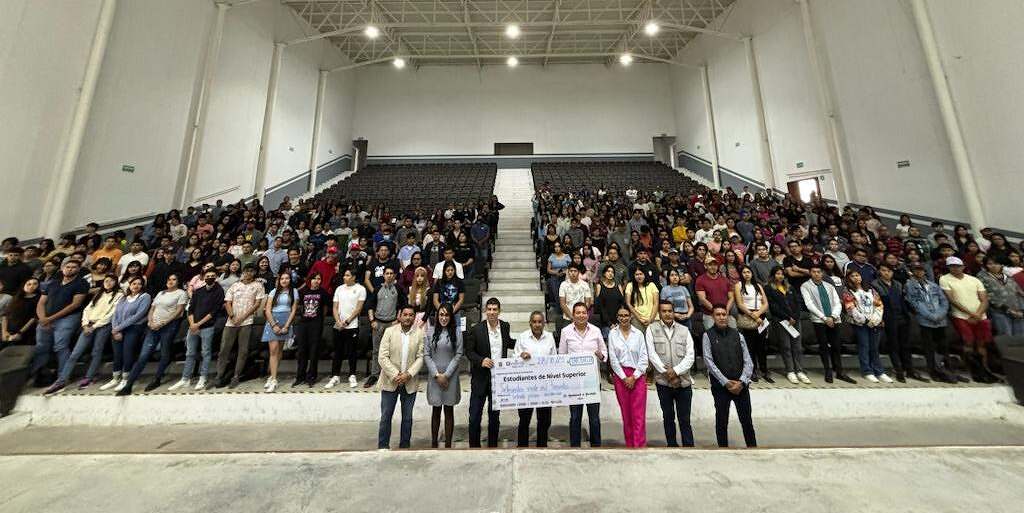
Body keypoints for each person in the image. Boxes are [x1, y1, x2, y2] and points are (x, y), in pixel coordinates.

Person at [46, 275, 122, 394]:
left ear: (116, 282)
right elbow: (87, 309)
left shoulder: (119, 295)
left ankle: (89, 376)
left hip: (103, 326)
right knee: (75, 353)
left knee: (96, 351)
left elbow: (112, 313)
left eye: (112, 281)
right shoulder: (98, 294)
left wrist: (95, 326)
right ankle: (61, 380)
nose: (108, 283)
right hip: (88, 325)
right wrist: (85, 324)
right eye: (106, 280)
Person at [116, 273, 188, 395]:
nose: (170, 281)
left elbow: (179, 311)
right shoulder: (161, 293)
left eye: (174, 279)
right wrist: (150, 320)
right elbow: (152, 309)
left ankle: (157, 378)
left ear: (178, 281)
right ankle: (129, 385)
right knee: (143, 355)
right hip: (153, 326)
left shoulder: (181, 293)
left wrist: (163, 323)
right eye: (169, 279)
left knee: (164, 353)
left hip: (169, 326)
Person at [702, 304, 757, 448]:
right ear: (713, 317)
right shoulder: (707, 335)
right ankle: (723, 451)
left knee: (747, 421)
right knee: (722, 421)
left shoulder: (738, 334)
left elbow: (748, 361)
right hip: (721, 388)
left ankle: (753, 450)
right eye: (718, 315)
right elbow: (709, 362)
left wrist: (742, 382)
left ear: (727, 316)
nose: (721, 317)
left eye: (724, 314)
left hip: (741, 387)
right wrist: (726, 382)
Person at [939, 256, 999, 383]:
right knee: (968, 343)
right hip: (961, 316)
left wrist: (978, 314)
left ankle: (985, 369)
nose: (955, 268)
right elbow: (952, 300)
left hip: (980, 316)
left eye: (957, 266)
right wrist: (971, 313)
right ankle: (973, 370)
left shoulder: (974, 279)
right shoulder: (944, 279)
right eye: (952, 266)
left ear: (963, 266)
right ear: (948, 267)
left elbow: (984, 299)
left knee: (982, 344)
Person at [645, 300, 696, 447]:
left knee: (685, 419)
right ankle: (672, 446)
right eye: (664, 311)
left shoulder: (684, 330)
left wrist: (676, 371)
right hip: (663, 383)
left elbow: (690, 356)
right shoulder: (651, 329)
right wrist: (666, 372)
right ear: (659, 313)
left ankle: (688, 447)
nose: (667, 314)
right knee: (668, 417)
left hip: (683, 383)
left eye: (670, 311)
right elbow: (652, 354)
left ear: (673, 312)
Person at [465, 298, 515, 448]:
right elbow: (469, 352)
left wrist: (524, 345)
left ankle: (493, 446)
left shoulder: (505, 326)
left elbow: (509, 342)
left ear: (499, 311)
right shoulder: (476, 329)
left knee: (494, 417)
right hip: (480, 377)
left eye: (495, 309)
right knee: (474, 417)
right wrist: (481, 360)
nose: (492, 312)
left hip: (498, 379)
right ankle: (474, 447)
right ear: (485, 311)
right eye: (489, 309)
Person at [31, 260, 89, 385]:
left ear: (78, 269)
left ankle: (63, 376)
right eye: (67, 267)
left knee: (61, 346)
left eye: (74, 267)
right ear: (62, 268)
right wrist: (42, 318)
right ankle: (37, 376)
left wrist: (49, 319)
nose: (70, 269)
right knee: (41, 347)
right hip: (45, 319)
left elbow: (75, 304)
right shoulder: (52, 283)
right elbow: (41, 302)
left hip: (68, 318)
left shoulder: (81, 283)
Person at [559, 302, 608, 447]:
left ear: (588, 314)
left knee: (594, 418)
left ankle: (596, 446)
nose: (581, 315)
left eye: (583, 312)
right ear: (573, 315)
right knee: (575, 417)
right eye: (578, 313)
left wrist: (601, 355)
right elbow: (561, 356)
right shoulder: (566, 331)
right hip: (573, 383)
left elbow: (605, 354)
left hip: (592, 381)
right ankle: (575, 446)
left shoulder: (596, 331)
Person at [377, 306, 424, 449]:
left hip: (409, 382)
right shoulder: (389, 332)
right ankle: (383, 446)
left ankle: (405, 447)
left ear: (414, 317)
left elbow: (421, 357)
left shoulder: (420, 333)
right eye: (405, 314)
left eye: (411, 315)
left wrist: (408, 374)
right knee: (386, 417)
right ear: (400, 316)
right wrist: (396, 375)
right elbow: (382, 356)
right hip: (390, 381)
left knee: (408, 418)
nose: (408, 317)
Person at [905, 263, 961, 383]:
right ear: (912, 271)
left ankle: (948, 370)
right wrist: (931, 316)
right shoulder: (910, 285)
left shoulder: (933, 285)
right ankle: (933, 371)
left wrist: (940, 314)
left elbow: (944, 301)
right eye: (916, 270)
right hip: (925, 321)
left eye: (921, 270)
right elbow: (915, 303)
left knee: (943, 347)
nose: (919, 272)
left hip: (940, 321)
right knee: (929, 348)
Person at [801, 264, 856, 384]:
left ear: (822, 273)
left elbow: (837, 302)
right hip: (819, 320)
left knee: (836, 346)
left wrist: (833, 316)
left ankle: (840, 372)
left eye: (819, 272)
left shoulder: (829, 286)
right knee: (824, 347)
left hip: (834, 319)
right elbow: (809, 304)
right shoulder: (805, 286)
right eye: (814, 271)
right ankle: (828, 370)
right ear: (810, 273)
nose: (816, 274)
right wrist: (824, 318)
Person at [172, 269, 224, 391]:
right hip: (193, 326)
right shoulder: (198, 291)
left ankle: (203, 377)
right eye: (207, 276)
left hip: (207, 326)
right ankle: (185, 379)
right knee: (189, 353)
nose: (210, 277)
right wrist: (192, 324)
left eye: (212, 276)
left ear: (216, 277)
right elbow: (190, 309)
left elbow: (214, 312)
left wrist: (198, 324)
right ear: (204, 277)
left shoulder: (219, 291)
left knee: (205, 353)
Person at [215, 264, 266, 389]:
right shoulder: (235, 285)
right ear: (243, 272)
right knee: (224, 350)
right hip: (231, 322)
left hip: (247, 322)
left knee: (243, 351)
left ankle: (236, 376)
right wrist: (232, 316)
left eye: (252, 271)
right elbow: (227, 302)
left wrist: (242, 318)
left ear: (255, 273)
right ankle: (219, 375)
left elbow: (257, 304)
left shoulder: (258, 286)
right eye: (247, 270)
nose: (249, 273)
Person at [874, 263, 927, 382]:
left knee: (905, 345)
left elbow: (903, 300)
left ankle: (910, 370)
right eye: (883, 270)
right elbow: (877, 303)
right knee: (894, 345)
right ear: (880, 272)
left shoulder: (898, 284)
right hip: (888, 317)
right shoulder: (875, 284)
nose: (886, 273)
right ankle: (898, 370)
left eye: (889, 271)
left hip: (902, 316)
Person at [513, 311, 556, 448]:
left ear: (544, 323)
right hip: (526, 385)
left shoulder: (549, 337)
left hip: (544, 386)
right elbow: (514, 358)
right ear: (530, 323)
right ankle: (522, 448)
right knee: (524, 419)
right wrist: (521, 356)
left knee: (544, 420)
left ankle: (542, 447)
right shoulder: (523, 337)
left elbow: (554, 359)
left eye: (540, 322)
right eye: (534, 322)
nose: (537, 324)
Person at [424, 303, 464, 448]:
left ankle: (448, 444)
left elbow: (458, 355)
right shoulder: (430, 331)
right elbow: (427, 355)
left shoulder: (457, 332)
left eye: (447, 315)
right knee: (435, 410)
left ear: (451, 316)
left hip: (450, 377)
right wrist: (436, 374)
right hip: (434, 376)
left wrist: (446, 375)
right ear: (437, 316)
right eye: (441, 314)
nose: (444, 318)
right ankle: (434, 443)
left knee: (449, 410)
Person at [607, 306, 648, 448]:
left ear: (631, 316)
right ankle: (630, 445)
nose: (623, 318)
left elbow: (644, 357)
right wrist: (624, 378)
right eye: (620, 316)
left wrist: (634, 376)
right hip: (620, 377)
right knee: (626, 413)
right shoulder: (612, 334)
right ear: (617, 317)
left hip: (638, 376)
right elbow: (612, 358)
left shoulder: (639, 334)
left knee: (638, 414)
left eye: (626, 315)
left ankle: (640, 445)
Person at [102, 276, 151, 391]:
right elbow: (115, 314)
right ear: (130, 285)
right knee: (117, 354)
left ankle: (125, 379)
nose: (136, 286)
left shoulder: (145, 297)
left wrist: (118, 328)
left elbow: (138, 315)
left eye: (139, 284)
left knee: (127, 353)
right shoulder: (123, 298)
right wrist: (115, 329)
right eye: (134, 283)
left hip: (133, 328)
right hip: (118, 329)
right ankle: (115, 378)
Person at [843, 270, 891, 384]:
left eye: (857, 275)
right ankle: (867, 371)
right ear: (849, 279)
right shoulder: (848, 292)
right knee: (864, 347)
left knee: (874, 348)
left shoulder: (870, 290)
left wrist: (875, 319)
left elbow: (879, 305)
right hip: (860, 324)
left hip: (874, 322)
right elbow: (850, 308)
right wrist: (864, 320)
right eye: (853, 276)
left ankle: (879, 372)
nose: (856, 277)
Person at [765, 267, 810, 385]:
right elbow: (773, 306)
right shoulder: (768, 288)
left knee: (797, 346)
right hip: (781, 321)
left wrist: (795, 317)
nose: (780, 276)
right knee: (786, 346)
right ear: (773, 275)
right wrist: (787, 317)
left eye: (782, 274)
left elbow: (797, 302)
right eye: (777, 274)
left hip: (795, 320)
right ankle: (790, 370)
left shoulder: (790, 287)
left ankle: (799, 370)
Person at [366, 266, 406, 388]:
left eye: (391, 273)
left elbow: (403, 305)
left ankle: (391, 374)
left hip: (392, 324)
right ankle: (374, 375)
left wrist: (398, 319)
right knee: (376, 350)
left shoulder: (398, 288)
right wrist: (372, 320)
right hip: (378, 323)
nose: (389, 275)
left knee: (392, 350)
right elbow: (370, 305)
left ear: (394, 276)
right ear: (383, 275)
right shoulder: (378, 288)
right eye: (387, 273)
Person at [329, 269, 366, 389]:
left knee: (351, 352)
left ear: (354, 277)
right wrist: (338, 322)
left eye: (347, 275)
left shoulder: (360, 289)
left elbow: (359, 308)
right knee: (337, 352)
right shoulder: (339, 288)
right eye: (344, 275)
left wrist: (348, 321)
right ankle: (335, 376)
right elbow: (335, 307)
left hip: (352, 325)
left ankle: (352, 375)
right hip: (339, 325)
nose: (345, 277)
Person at [260, 272, 298, 392]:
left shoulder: (294, 291)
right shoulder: (273, 292)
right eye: (282, 278)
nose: (284, 280)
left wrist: (287, 325)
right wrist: (273, 325)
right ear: (279, 280)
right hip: (273, 319)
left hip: (286, 320)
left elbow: (293, 310)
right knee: (273, 350)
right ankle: (274, 379)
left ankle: (272, 375)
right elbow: (267, 310)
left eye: (287, 278)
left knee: (280, 350)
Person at [733, 266, 772, 382]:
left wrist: (758, 314)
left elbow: (765, 303)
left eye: (748, 272)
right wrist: (753, 315)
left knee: (762, 346)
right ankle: (752, 370)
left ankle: (764, 370)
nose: (746, 274)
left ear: (752, 273)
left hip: (760, 318)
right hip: (747, 317)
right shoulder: (738, 285)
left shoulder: (758, 286)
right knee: (750, 347)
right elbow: (740, 304)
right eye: (744, 272)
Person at [293, 273, 330, 387]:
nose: (316, 280)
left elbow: (325, 308)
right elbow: (298, 305)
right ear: (310, 280)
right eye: (314, 278)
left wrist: (319, 319)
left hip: (316, 323)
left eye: (319, 279)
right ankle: (300, 376)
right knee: (302, 350)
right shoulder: (304, 291)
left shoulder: (323, 292)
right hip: (303, 323)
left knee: (314, 351)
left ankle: (311, 377)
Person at [977, 256, 1024, 336]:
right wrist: (1009, 310)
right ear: (985, 265)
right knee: (1006, 337)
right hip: (1000, 311)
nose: (994, 266)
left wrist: (1021, 310)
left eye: (997, 263)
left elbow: (1019, 292)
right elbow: (988, 296)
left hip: (1017, 310)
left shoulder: (1007, 276)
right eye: (990, 264)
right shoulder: (982, 276)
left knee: (1020, 337)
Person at [1, 278, 41, 348]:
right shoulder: (16, 297)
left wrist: (19, 333)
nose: (31, 286)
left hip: (25, 331)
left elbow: (34, 318)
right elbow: (5, 315)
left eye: (35, 284)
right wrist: (4, 332)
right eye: (29, 284)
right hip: (8, 330)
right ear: (23, 286)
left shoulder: (38, 299)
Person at [696, 258, 735, 329]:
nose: (713, 267)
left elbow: (731, 297)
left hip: (726, 313)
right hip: (709, 314)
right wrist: (716, 311)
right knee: (712, 336)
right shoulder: (700, 280)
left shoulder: (725, 279)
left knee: (734, 332)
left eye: (715, 265)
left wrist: (726, 310)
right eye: (710, 265)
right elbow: (702, 299)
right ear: (705, 266)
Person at [557, 264, 593, 342]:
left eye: (575, 271)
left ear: (579, 272)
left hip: (582, 318)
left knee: (585, 340)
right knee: (566, 340)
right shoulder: (563, 285)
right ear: (568, 272)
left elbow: (588, 303)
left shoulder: (585, 285)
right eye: (571, 271)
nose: (573, 273)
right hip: (568, 318)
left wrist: (581, 315)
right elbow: (562, 303)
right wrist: (572, 317)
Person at [593, 264, 625, 340]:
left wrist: (618, 321)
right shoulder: (599, 286)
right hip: (605, 323)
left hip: (618, 322)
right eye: (608, 271)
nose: (610, 273)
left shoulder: (619, 286)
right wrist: (609, 323)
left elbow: (622, 305)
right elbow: (599, 307)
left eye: (612, 272)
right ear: (604, 273)